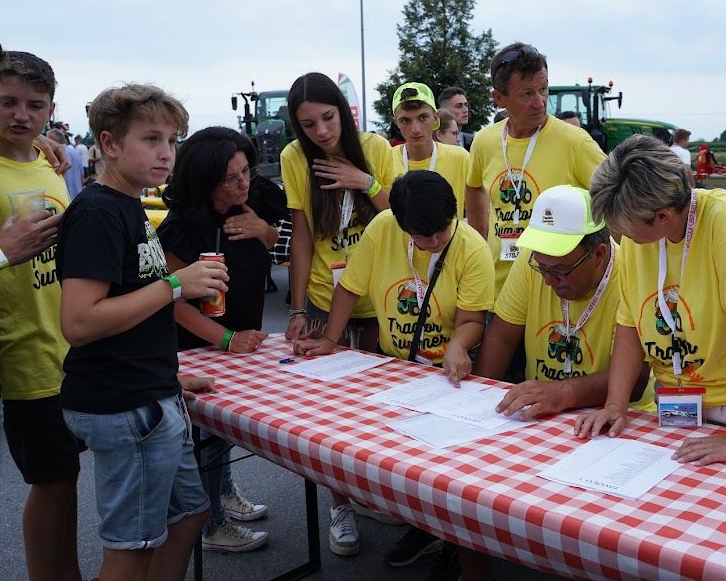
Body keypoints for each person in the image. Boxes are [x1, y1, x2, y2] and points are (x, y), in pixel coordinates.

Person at [56, 83, 228, 580]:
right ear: (109, 144)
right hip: (124, 405)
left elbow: (130, 307)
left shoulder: (129, 203)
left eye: (171, 141)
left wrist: (165, 376)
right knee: (130, 548)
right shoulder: (99, 212)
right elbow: (80, 322)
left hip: (148, 392)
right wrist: (176, 284)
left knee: (189, 514)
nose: (166, 153)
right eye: (151, 139)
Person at [294, 170, 494, 569]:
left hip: (447, 376)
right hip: (396, 365)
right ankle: (422, 526)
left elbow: (473, 319)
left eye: (440, 232)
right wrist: (330, 339)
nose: (434, 242)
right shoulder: (384, 228)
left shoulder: (472, 247)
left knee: (446, 465)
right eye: (422, 236)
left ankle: (452, 539)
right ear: (402, 224)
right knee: (398, 453)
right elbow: (350, 287)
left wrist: (458, 344)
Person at [579, 135, 726, 466]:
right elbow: (630, 325)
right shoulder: (641, 237)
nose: (618, 236)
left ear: (663, 216)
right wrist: (615, 405)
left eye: (625, 229)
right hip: (678, 405)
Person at [280, 71, 401, 556]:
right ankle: (340, 506)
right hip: (322, 296)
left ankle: (372, 492)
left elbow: (402, 217)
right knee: (329, 410)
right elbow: (302, 234)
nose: (322, 132)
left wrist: (364, 181)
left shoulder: (376, 147)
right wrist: (296, 307)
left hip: (376, 297)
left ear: (344, 113)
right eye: (308, 125)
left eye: (328, 118)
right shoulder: (294, 157)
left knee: (376, 402)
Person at [0, 50, 82, 579]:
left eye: (35, 106)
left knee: (66, 478)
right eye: (8, 101)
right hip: (18, 350)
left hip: (65, 345)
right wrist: (3, 252)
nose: (21, 115)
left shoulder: (49, 162)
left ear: (51, 110)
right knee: (52, 482)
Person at [158, 127, 283, 553]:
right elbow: (174, 303)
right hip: (198, 345)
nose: (244, 182)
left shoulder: (256, 198)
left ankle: (224, 492)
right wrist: (226, 338)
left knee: (222, 431)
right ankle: (211, 524)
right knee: (204, 434)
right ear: (204, 181)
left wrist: (262, 229)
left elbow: (280, 244)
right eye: (231, 178)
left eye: (246, 170)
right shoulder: (181, 227)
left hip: (244, 334)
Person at [475, 185, 655, 416]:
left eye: (561, 270)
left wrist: (565, 392)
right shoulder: (535, 259)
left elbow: (637, 380)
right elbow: (502, 338)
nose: (548, 280)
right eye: (542, 267)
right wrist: (475, 397)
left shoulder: (630, 276)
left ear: (599, 255)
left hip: (617, 415)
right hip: (543, 409)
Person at [466, 42, 606, 298]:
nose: (540, 103)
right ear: (499, 99)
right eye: (527, 94)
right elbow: (473, 186)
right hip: (498, 287)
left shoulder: (575, 142)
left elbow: (614, 198)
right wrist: (479, 242)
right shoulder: (484, 141)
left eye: (543, 89)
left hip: (554, 288)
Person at [391, 82, 470, 216]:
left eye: (423, 117)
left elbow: (480, 212)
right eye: (405, 120)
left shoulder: (460, 158)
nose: (416, 129)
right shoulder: (387, 159)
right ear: (396, 123)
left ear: (436, 118)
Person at [47, 128, 85, 199]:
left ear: (51, 140)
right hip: (78, 196)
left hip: (64, 198)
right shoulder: (76, 152)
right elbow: (82, 176)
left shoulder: (54, 155)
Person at [437, 86, 473, 151]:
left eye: (466, 105)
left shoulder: (471, 141)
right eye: (459, 106)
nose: (465, 110)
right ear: (444, 110)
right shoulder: (430, 144)